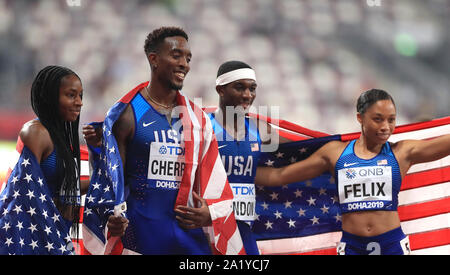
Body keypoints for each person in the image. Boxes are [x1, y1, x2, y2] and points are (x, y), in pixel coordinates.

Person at [82, 27, 244, 255]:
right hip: (139, 239)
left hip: (187, 240)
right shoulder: (127, 114)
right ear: (154, 59)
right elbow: (110, 180)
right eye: (176, 56)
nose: (184, 64)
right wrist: (110, 216)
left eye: (188, 58)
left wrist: (211, 212)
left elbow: (214, 176)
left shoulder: (198, 120)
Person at [255, 89, 450, 255]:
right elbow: (279, 176)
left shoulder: (402, 152)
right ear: (360, 118)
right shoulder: (335, 153)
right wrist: (236, 172)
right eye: (378, 119)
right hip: (352, 246)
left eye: (391, 120)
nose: (386, 127)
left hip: (391, 245)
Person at [179, 60, 291, 255]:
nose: (248, 95)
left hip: (243, 229)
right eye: (240, 88)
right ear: (220, 89)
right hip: (206, 229)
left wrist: (343, 144)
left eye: (252, 88)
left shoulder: (260, 130)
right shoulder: (203, 127)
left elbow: (300, 149)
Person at [0, 65, 86, 255]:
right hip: (31, 239)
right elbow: (23, 193)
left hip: (54, 233)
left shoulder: (60, 136)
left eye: (81, 95)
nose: (79, 102)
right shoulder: (37, 132)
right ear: (50, 97)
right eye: (71, 95)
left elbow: (63, 186)